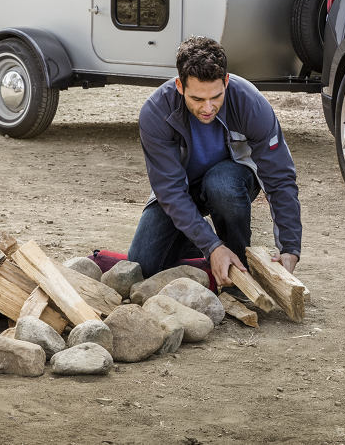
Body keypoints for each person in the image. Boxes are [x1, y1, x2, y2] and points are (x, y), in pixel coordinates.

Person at [129, 37, 301, 287]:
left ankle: (240, 267)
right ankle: (208, 245)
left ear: (226, 81)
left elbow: (279, 177)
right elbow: (171, 192)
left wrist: (290, 246)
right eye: (197, 99)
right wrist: (211, 246)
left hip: (233, 180)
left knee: (221, 184)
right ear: (180, 85)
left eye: (216, 97)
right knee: (144, 264)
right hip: (184, 187)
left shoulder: (250, 103)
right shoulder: (156, 113)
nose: (208, 108)